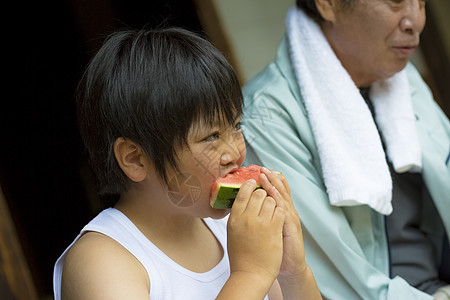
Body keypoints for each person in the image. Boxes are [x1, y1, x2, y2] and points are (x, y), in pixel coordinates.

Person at [52, 27, 322, 299]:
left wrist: (293, 270)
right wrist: (250, 274)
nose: (235, 154)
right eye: (211, 136)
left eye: (236, 125)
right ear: (135, 159)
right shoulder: (101, 262)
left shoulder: (235, 230)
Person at [242, 0, 450, 299]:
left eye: (421, 3)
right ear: (328, 4)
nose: (414, 22)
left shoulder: (402, 78)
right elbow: (344, 286)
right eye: (396, 2)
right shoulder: (266, 116)